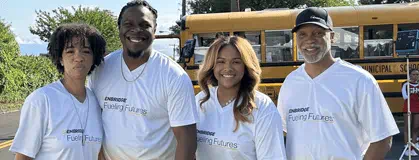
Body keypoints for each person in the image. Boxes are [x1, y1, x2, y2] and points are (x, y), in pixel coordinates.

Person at [277, 7, 399, 160]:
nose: (309, 40)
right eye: (302, 34)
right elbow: (285, 131)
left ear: (332, 37)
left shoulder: (359, 80)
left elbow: (382, 138)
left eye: (318, 33)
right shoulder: (290, 82)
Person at [87, 0, 198, 159]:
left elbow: (186, 140)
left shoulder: (174, 76)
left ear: (155, 30)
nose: (136, 30)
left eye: (145, 25)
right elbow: (94, 124)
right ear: (119, 29)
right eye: (128, 24)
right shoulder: (100, 70)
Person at [10, 23, 106, 160]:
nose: (78, 58)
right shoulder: (41, 100)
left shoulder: (97, 102)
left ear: (93, 58)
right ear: (60, 58)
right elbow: (23, 157)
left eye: (86, 51)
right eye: (70, 51)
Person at [195, 36, 287, 160]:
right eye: (220, 61)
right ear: (212, 65)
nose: (228, 68)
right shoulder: (200, 101)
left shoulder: (262, 106)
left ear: (246, 65)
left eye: (236, 62)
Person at [401, 68, 419, 156]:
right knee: (407, 127)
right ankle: (407, 147)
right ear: (410, 75)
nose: (415, 76)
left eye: (417, 75)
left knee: (416, 127)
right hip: (408, 107)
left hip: (417, 107)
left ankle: (413, 148)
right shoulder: (406, 84)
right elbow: (404, 96)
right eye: (414, 74)